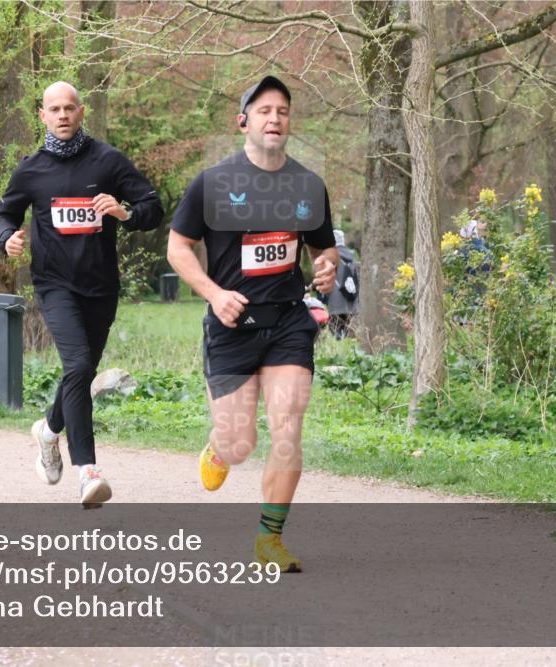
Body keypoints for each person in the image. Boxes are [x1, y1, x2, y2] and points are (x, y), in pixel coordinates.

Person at [167, 76, 338, 572]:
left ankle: (270, 538)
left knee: (288, 428)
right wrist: (214, 294)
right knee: (240, 444)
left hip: (288, 322)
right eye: (263, 110)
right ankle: (220, 450)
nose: (274, 119)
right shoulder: (213, 183)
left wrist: (327, 266)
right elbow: (178, 249)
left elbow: (321, 249)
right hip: (232, 326)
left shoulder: (308, 185)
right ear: (243, 121)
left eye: (282, 111)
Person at [0, 81, 163, 507]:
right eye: (55, 108)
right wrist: (7, 239)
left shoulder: (107, 161)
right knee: (79, 364)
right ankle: (87, 472)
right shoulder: (31, 169)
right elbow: (6, 214)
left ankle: (49, 431)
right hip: (54, 285)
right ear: (43, 115)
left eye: (70, 107)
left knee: (80, 373)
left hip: (101, 286)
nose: (63, 115)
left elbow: (153, 206)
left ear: (82, 112)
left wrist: (126, 213)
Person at [323, 229, 359, 339]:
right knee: (349, 334)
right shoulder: (352, 256)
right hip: (351, 301)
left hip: (335, 302)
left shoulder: (329, 257)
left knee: (336, 334)